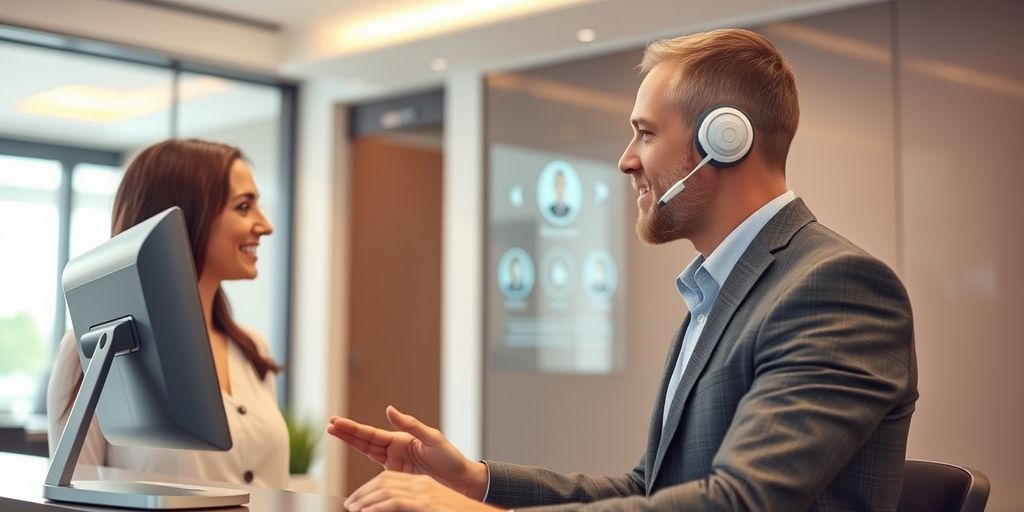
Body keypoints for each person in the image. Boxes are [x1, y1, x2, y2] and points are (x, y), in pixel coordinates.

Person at [327, 28, 917, 511]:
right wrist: (475, 482)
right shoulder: (720, 292)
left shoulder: (835, 287)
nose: (626, 160)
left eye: (646, 133)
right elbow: (650, 492)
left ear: (725, 140)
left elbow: (742, 501)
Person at [47, 139, 289, 488]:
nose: (265, 225)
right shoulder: (92, 347)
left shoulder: (253, 349)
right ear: (184, 217)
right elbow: (75, 494)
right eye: (244, 207)